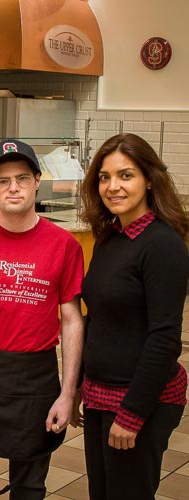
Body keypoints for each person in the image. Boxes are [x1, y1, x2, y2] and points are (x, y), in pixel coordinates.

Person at [0, 139, 84, 500]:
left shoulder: (64, 245)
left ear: (37, 181)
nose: (14, 187)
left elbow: (71, 321)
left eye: (22, 178)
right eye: (4, 180)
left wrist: (67, 394)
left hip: (37, 378)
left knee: (30, 487)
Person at [77, 133, 188, 499]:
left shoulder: (162, 245)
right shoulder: (110, 237)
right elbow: (97, 317)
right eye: (105, 177)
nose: (113, 187)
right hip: (99, 394)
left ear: (149, 180)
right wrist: (81, 382)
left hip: (138, 401)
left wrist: (132, 413)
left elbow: (165, 337)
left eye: (126, 175)